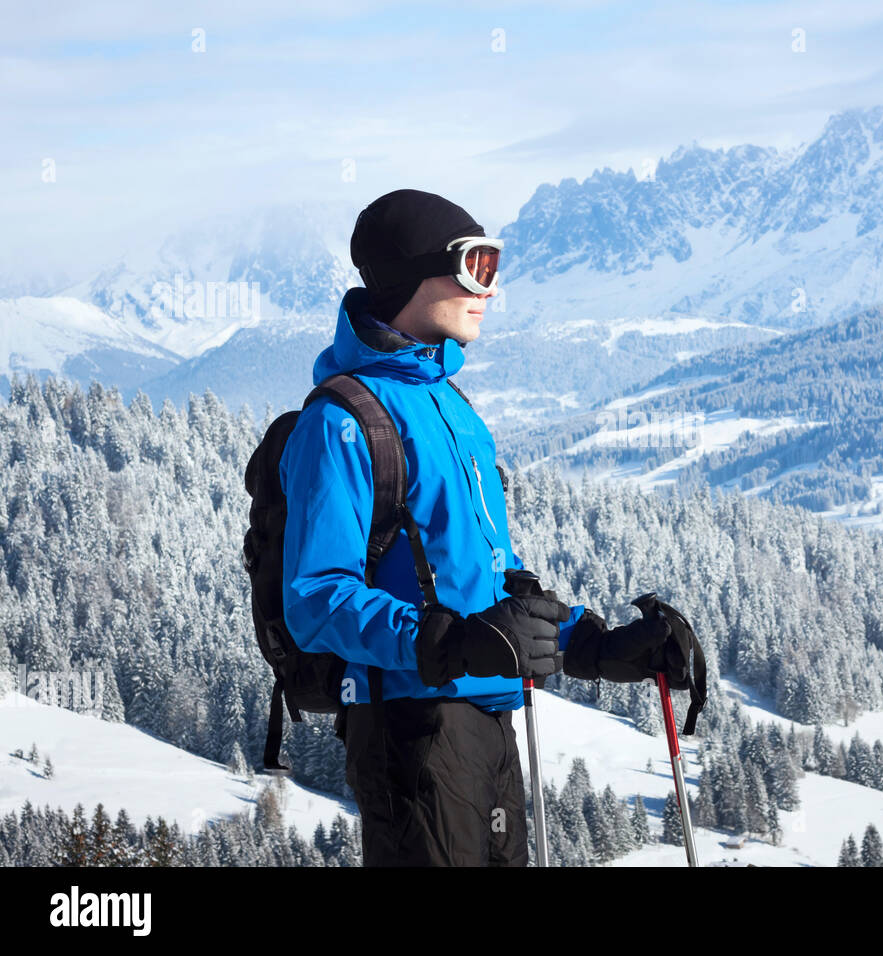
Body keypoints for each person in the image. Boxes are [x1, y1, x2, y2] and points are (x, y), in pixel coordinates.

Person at [279, 189, 683, 866]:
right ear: (412, 275)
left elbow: (489, 580)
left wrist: (593, 644)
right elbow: (316, 599)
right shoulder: (342, 422)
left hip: (488, 721)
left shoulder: (452, 406)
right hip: (413, 729)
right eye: (477, 266)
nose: (489, 290)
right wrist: (448, 642)